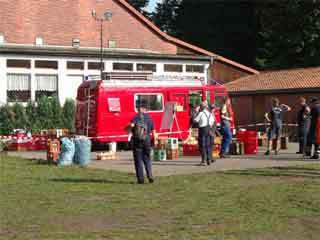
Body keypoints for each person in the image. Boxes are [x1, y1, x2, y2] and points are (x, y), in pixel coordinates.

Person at [130, 101, 157, 184]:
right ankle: (150, 175)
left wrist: (126, 128)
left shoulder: (136, 117)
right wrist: (155, 140)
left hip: (137, 140)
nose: (137, 109)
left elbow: (131, 126)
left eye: (138, 108)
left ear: (141, 109)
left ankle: (141, 179)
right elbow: (154, 131)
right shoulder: (149, 118)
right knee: (147, 159)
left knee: (138, 160)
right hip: (147, 140)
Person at [193, 101, 215, 165]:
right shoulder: (209, 113)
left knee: (202, 145)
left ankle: (204, 160)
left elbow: (195, 120)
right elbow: (212, 121)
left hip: (202, 130)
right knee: (208, 145)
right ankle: (209, 159)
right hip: (209, 129)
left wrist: (196, 112)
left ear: (202, 107)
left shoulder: (201, 113)